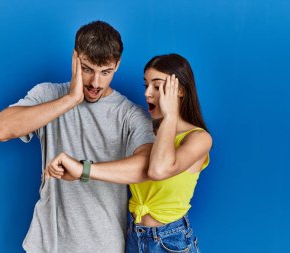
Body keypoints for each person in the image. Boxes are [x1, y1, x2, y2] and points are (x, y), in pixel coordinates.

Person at [0, 20, 154, 253]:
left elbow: (146, 167)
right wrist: (70, 100)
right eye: (87, 69)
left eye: (105, 72)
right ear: (75, 59)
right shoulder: (48, 94)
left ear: (117, 65)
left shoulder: (130, 115)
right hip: (46, 244)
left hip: (103, 245)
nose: (95, 83)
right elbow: (1, 129)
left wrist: (83, 170)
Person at [47, 53, 212, 252]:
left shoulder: (198, 138)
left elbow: (159, 170)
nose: (147, 93)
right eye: (146, 85)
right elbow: (128, 169)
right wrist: (78, 171)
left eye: (157, 87)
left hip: (170, 240)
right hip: (134, 236)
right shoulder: (146, 132)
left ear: (180, 91)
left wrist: (170, 116)